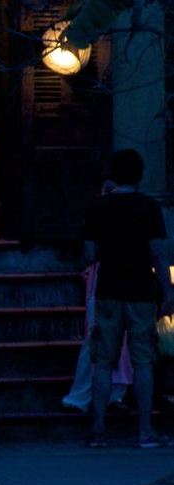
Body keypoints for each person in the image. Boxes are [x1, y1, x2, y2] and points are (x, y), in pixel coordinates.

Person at [84, 148, 174, 448]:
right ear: (140, 175)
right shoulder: (149, 208)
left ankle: (98, 430)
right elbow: (158, 253)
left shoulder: (98, 207)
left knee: (103, 362)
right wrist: (168, 291)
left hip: (109, 289)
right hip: (140, 291)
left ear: (114, 175)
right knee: (143, 361)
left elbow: (89, 254)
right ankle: (145, 430)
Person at [62, 180, 133, 414]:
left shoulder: (125, 213)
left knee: (118, 342)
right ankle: (85, 395)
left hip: (118, 280)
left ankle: (112, 395)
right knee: (98, 340)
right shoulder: (99, 215)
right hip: (108, 281)